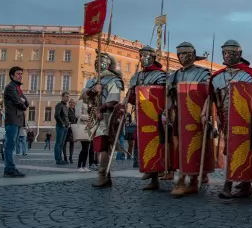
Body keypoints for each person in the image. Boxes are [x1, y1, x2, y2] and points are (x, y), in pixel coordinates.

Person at [203, 39, 252, 199]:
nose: (227, 56)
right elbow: (211, 98)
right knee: (230, 150)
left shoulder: (250, 74)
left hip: (246, 119)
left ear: (239, 54)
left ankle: (234, 184)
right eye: (225, 53)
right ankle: (241, 183)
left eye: (231, 53)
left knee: (245, 150)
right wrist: (204, 113)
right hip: (226, 119)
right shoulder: (217, 77)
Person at [162, 41, 211, 196]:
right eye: (180, 54)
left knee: (194, 147)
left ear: (192, 54)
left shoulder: (203, 73)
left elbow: (208, 95)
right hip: (179, 116)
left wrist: (205, 113)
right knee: (180, 148)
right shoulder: (174, 75)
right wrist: (165, 111)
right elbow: (169, 97)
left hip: (196, 116)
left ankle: (193, 181)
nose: (182, 57)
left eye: (185, 53)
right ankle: (182, 178)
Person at [82, 52, 124, 187]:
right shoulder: (93, 80)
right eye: (96, 60)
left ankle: (102, 176)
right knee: (100, 147)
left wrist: (100, 108)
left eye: (100, 61)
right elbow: (84, 96)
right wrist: (93, 91)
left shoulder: (113, 80)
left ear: (107, 63)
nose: (97, 63)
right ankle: (106, 176)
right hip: (95, 117)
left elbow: (113, 100)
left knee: (104, 147)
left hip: (107, 117)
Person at [128, 46, 167, 190]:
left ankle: (156, 174)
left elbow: (162, 96)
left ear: (152, 57)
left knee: (156, 144)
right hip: (142, 115)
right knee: (143, 143)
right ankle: (149, 170)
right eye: (141, 55)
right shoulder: (137, 76)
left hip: (156, 115)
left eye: (145, 56)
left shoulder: (161, 75)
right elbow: (132, 97)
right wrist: (130, 96)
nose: (142, 58)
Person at [3, 66, 27, 177]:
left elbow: (26, 102)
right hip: (12, 119)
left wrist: (23, 102)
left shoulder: (17, 88)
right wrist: (23, 102)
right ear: (12, 75)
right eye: (18, 74)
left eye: (21, 74)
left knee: (12, 145)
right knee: (10, 145)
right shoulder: (10, 88)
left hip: (17, 120)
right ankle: (9, 169)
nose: (20, 76)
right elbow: (19, 102)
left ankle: (10, 168)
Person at [54, 92, 70, 165]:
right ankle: (58, 159)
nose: (67, 98)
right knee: (58, 143)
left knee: (62, 144)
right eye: (66, 96)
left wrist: (68, 123)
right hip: (61, 127)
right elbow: (56, 115)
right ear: (62, 97)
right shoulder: (59, 105)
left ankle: (60, 159)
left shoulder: (66, 106)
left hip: (66, 127)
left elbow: (66, 117)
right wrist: (62, 124)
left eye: (68, 97)